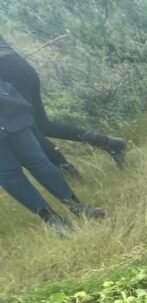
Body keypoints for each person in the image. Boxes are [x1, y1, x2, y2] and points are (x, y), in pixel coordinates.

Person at [0, 35, 127, 178]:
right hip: (19, 67)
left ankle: (71, 176)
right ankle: (111, 144)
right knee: (42, 126)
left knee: (31, 129)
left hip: (7, 74)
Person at [1, 78, 106, 230]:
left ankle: (78, 207)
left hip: (6, 111)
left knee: (37, 161)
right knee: (8, 174)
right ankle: (52, 220)